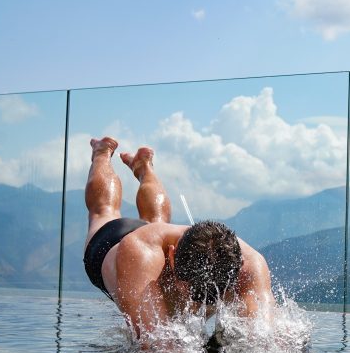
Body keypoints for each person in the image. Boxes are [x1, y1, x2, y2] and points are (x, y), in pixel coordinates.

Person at [83, 136, 274, 339]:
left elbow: (265, 337)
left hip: (159, 238)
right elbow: (155, 345)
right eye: (192, 292)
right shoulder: (138, 256)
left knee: (158, 219)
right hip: (112, 242)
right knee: (104, 211)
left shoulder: (252, 265)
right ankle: (102, 153)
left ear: (240, 267)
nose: (196, 303)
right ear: (171, 257)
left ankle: (144, 167)